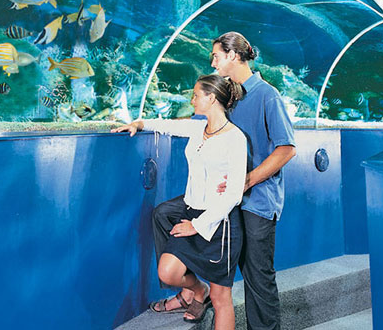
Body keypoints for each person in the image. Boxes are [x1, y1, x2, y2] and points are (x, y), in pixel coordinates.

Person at [112, 74, 248, 328]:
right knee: (168, 271)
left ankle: (206, 294)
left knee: (221, 298)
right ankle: (197, 290)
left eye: (197, 95)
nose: (192, 99)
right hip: (192, 211)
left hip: (220, 225)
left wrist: (196, 225)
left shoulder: (235, 138)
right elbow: (168, 125)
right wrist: (139, 124)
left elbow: (233, 194)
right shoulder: (199, 127)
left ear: (211, 98)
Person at [211, 32, 296, 330]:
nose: (212, 62)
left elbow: (286, 149)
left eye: (217, 56)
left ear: (234, 56)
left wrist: (247, 181)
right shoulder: (230, 96)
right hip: (232, 200)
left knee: (259, 278)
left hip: (259, 202)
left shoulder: (267, 94)